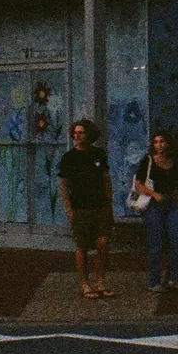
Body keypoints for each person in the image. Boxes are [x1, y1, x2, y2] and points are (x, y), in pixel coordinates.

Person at [57, 117, 114, 300]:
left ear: (88, 134)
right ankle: (84, 284)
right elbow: (63, 184)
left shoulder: (98, 154)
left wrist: (109, 204)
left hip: (99, 206)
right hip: (80, 208)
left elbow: (105, 179)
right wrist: (68, 208)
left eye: (81, 132)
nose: (77, 135)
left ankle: (100, 282)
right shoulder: (69, 157)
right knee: (81, 247)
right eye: (75, 132)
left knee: (103, 242)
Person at [133, 131, 178, 292]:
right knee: (156, 244)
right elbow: (138, 184)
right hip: (154, 205)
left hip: (171, 204)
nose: (159, 145)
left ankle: (174, 278)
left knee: (177, 242)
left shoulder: (174, 163)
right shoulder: (148, 161)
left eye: (162, 141)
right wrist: (154, 194)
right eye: (156, 142)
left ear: (168, 143)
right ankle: (154, 281)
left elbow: (176, 188)